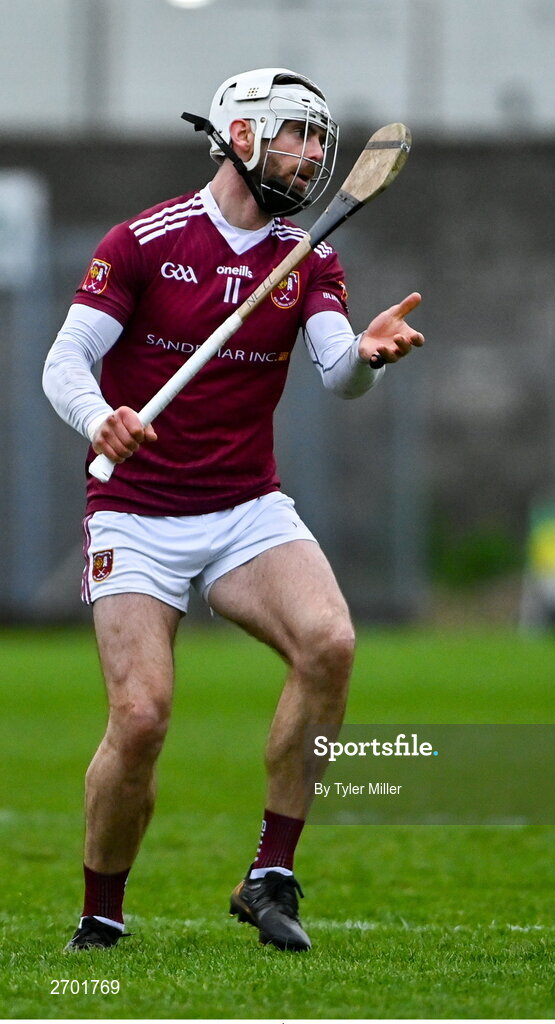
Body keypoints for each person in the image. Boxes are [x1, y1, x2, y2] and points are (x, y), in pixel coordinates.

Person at [42, 67, 423, 954]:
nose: (315, 155)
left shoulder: (310, 255)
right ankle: (102, 915)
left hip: (245, 506)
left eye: (322, 141)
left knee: (329, 642)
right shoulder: (142, 242)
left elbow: (338, 376)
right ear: (241, 136)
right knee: (140, 718)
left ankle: (270, 875)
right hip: (135, 509)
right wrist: (103, 417)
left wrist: (368, 352)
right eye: (299, 134)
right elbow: (64, 363)